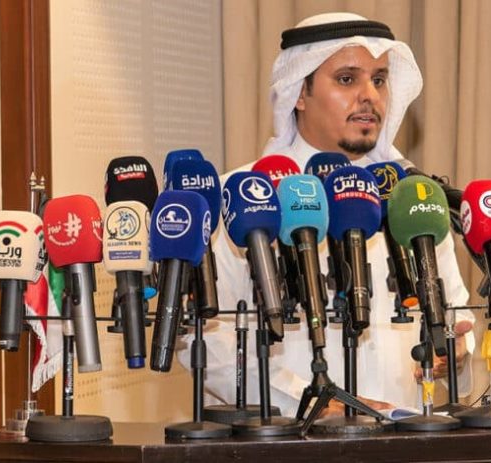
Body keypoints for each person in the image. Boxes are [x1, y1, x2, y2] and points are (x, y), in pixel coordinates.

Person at [177, 12, 475, 418]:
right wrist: (307, 402)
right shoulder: (241, 195)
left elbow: (457, 314)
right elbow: (205, 340)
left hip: (402, 435)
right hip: (284, 437)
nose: (369, 95)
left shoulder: (410, 196)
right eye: (347, 79)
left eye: (379, 80)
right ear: (299, 92)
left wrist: (456, 351)